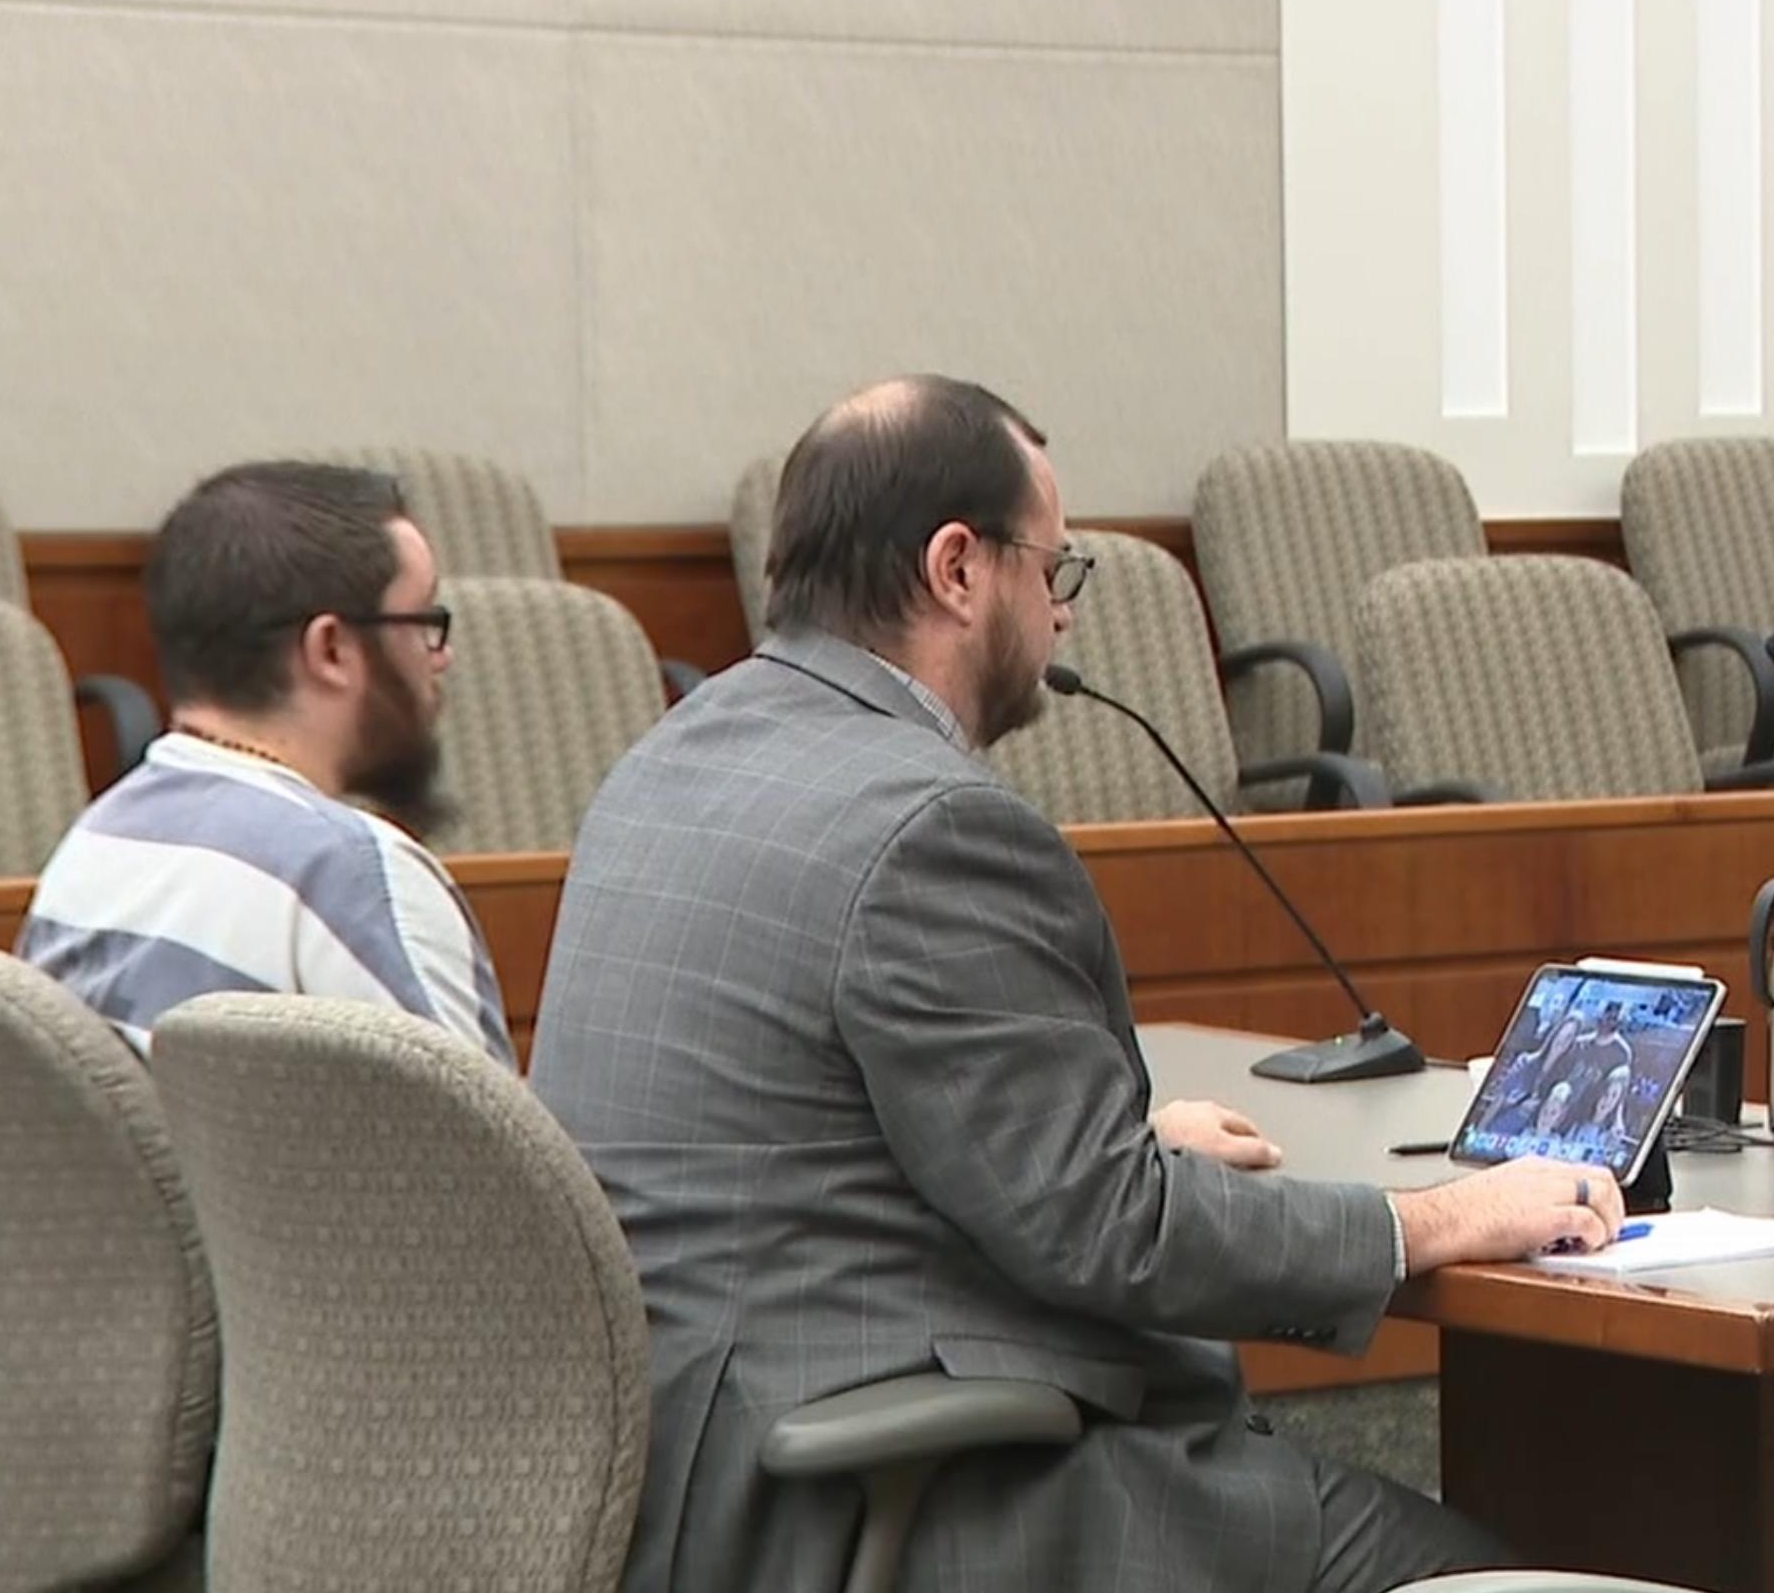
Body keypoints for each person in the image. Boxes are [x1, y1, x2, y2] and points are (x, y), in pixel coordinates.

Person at [525, 375, 1624, 1593]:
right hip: (899, 1507)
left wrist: (1110, 1135)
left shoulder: (660, 766)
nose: (1061, 619)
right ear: (956, 567)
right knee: (1484, 1570)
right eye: (1052, 573)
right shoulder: (930, 823)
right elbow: (1118, 1231)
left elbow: (791, 1130)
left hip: (676, 1482)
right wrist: (1433, 1220)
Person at [18, 461, 509, 1066]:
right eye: (425, 621)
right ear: (330, 649)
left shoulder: (94, 843)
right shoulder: (358, 878)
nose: (444, 657)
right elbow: (480, 1159)